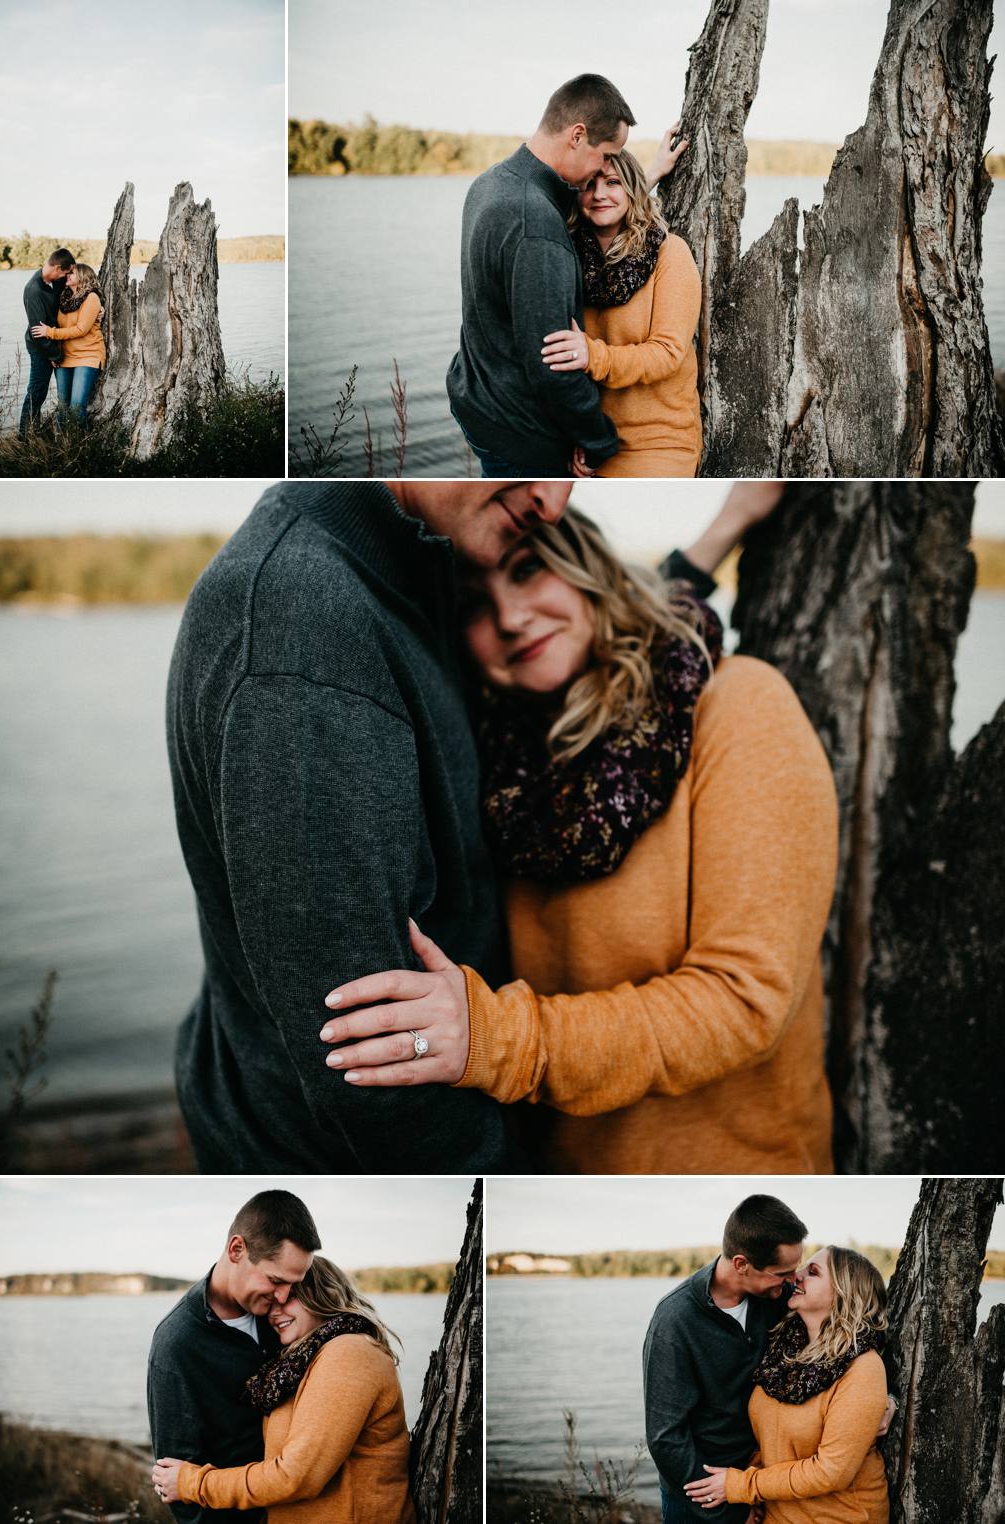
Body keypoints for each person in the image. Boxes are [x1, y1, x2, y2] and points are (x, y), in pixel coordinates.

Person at [315, 485, 838, 1175]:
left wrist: (496, 1042)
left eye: (529, 567)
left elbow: (745, 1000)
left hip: (718, 1174)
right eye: (473, 603)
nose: (509, 615)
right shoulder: (493, 756)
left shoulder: (735, 708)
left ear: (588, 566)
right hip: (548, 1177)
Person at [166, 479, 571, 1173]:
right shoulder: (307, 629)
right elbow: (361, 1060)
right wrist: (503, 1174)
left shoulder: (410, 566)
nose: (552, 501)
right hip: (338, 1165)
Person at [446, 74, 635, 478]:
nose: (605, 168)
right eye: (605, 155)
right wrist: (599, 439)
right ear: (577, 135)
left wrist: (647, 178)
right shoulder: (535, 224)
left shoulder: (492, 183)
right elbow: (552, 363)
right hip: (524, 437)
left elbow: (578, 201)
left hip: (481, 403)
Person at [152, 1257, 416, 1523]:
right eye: (270, 1303)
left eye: (288, 1298)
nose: (273, 1313)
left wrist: (193, 1483)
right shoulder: (301, 1361)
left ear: (321, 1294)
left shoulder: (350, 1353)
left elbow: (296, 1477)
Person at [147, 1189, 320, 1524]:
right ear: (237, 1249)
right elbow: (178, 1482)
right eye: (275, 1280)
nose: (284, 1296)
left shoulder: (283, 1315)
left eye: (294, 1285)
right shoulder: (178, 1343)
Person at [684, 1246, 890, 1523]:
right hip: (777, 1513)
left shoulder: (862, 1366)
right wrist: (750, 1500)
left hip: (840, 1516)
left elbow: (831, 1472)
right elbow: (770, 1442)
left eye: (812, 1272)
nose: (797, 1276)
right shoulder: (785, 1347)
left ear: (843, 1292)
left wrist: (743, 1486)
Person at [643, 1195, 809, 1524]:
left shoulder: (778, 1297)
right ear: (741, 1264)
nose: (793, 1279)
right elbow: (666, 1438)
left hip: (760, 1482)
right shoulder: (675, 1321)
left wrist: (882, 1397)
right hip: (698, 1500)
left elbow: (849, 1326)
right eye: (782, 1272)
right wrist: (728, 1512)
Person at [540, 148, 702, 477]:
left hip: (659, 440)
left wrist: (593, 356)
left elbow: (668, 352)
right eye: (589, 184)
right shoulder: (567, 258)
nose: (599, 194)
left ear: (631, 189)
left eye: (613, 183)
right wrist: (585, 434)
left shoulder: (669, 253)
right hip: (594, 439)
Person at [30, 261, 107, 424]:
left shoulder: (92, 298)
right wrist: (53, 352)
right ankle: (64, 447)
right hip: (65, 356)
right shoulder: (63, 297)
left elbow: (81, 330)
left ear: (83, 276)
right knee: (63, 409)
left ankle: (81, 447)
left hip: (88, 355)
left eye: (71, 273)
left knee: (76, 409)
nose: (67, 276)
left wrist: (49, 333)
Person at [18, 246, 75, 437]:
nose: (65, 278)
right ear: (58, 268)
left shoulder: (53, 282)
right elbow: (37, 333)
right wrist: (55, 355)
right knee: (37, 391)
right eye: (65, 273)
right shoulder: (33, 290)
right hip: (41, 348)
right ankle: (25, 436)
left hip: (54, 342)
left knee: (58, 393)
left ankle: (41, 431)